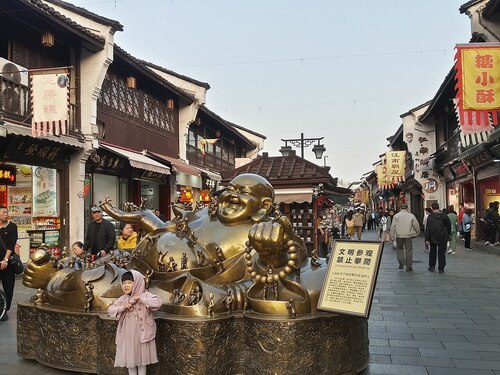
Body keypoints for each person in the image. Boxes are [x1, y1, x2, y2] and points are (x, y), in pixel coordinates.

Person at [108, 270, 161, 375]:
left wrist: (142, 300)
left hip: (142, 334)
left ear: (137, 282)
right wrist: (123, 307)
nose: (126, 285)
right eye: (123, 283)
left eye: (129, 282)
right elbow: (110, 310)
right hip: (128, 335)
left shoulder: (144, 295)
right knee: (130, 360)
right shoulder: (124, 299)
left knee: (142, 361)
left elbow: (158, 302)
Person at [0, 206, 18, 321]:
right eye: (3, 212)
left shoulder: (12, 226)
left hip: (7, 262)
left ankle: (5, 309)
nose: (6, 214)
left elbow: (11, 244)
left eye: (7, 212)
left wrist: (5, 259)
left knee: (8, 286)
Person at [390, 204, 420, 272]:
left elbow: (393, 227)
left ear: (400, 208)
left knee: (399, 248)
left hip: (399, 235)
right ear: (407, 208)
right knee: (408, 250)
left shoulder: (396, 216)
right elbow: (416, 225)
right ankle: (409, 265)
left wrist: (392, 236)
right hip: (408, 235)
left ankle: (401, 261)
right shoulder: (411, 215)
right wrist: (417, 232)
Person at [425, 202, 451, 274]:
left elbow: (428, 228)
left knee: (432, 251)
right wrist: (448, 234)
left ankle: (432, 266)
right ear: (438, 207)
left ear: (432, 208)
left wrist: (427, 238)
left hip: (432, 236)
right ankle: (441, 268)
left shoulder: (430, 216)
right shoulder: (444, 216)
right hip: (443, 236)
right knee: (441, 253)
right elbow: (448, 226)